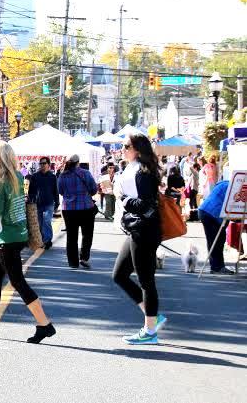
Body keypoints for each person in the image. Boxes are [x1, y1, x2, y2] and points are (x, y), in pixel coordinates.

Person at [0, 141, 55, 343]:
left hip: (6, 237)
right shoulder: (18, 176)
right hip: (18, 234)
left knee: (17, 282)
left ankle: (45, 324)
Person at [112, 133, 168, 345]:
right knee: (119, 275)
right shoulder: (132, 167)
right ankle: (153, 318)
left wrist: (122, 198)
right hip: (137, 229)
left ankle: (150, 331)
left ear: (138, 149)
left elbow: (145, 205)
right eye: (122, 146)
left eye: (126, 146)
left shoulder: (143, 171)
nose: (122, 149)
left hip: (144, 229)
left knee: (146, 281)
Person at [58, 154, 98, 269]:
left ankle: (73, 262)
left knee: (71, 236)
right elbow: (94, 190)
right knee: (87, 234)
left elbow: (60, 191)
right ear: (78, 162)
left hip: (69, 209)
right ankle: (84, 257)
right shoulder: (85, 173)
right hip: (86, 207)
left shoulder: (62, 175)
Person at [197, 180, 235, 275]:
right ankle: (217, 267)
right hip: (212, 213)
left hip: (204, 210)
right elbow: (230, 205)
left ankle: (216, 266)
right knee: (217, 240)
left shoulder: (225, 183)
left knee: (214, 240)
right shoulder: (233, 188)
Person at [27, 156, 60, 249]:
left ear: (48, 165)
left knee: (47, 221)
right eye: (40, 163)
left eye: (44, 163)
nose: (42, 165)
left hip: (49, 203)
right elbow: (31, 191)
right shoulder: (35, 176)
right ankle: (41, 240)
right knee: (40, 223)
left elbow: (55, 191)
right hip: (37, 204)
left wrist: (57, 203)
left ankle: (47, 240)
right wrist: (30, 200)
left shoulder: (53, 177)